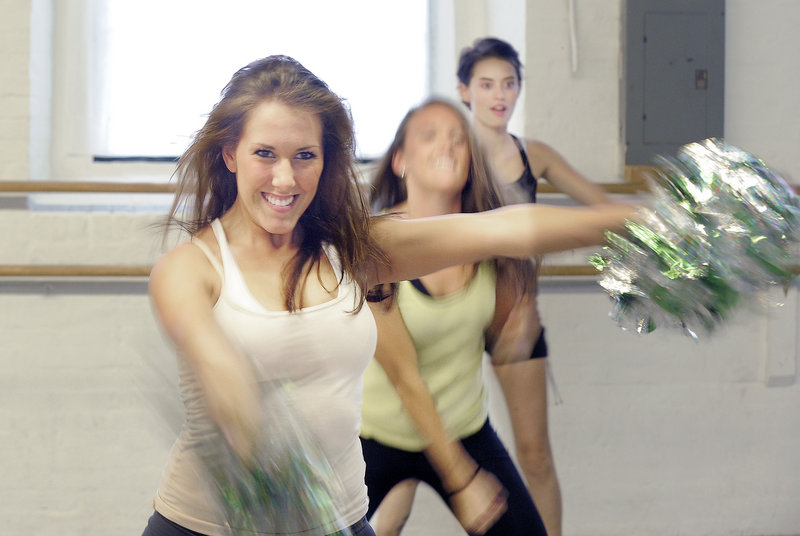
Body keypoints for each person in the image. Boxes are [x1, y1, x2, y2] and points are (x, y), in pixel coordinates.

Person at [140, 55, 632, 536]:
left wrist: (634, 221)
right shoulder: (189, 269)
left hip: (341, 521)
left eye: (304, 156)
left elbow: (504, 229)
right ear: (230, 155)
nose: (285, 179)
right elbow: (216, 362)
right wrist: (265, 457)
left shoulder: (353, 251)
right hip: (202, 527)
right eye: (265, 154)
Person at [372, 37, 617, 536]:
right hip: (394, 398)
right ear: (466, 91)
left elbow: (569, 219)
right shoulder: (399, 223)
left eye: (509, 83)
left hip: (497, 330)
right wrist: (461, 477)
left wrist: (646, 225)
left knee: (532, 453)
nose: (499, 94)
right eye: (486, 84)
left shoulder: (522, 169)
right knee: (401, 477)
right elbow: (406, 380)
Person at [360, 97, 553, 536]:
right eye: (430, 135)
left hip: (465, 426)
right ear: (401, 161)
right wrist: (461, 477)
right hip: (375, 436)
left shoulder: (491, 247)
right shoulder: (376, 246)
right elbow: (406, 379)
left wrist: (516, 322)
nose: (447, 145)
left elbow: (508, 339)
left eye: (458, 139)